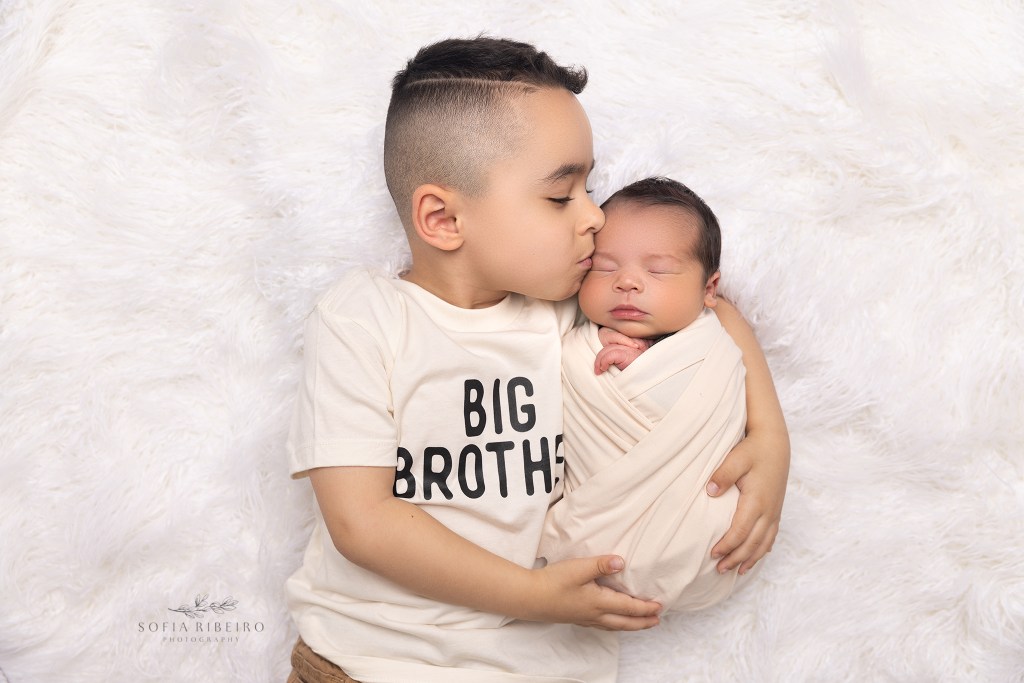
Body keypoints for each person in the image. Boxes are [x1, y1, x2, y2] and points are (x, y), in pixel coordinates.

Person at [285, 37, 789, 683]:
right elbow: (362, 520)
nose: (593, 216)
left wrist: (770, 435)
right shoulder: (364, 316)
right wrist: (531, 595)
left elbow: (714, 308)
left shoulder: (573, 308)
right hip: (371, 660)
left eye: (590, 187)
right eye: (560, 196)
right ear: (442, 218)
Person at [540, 177, 765, 613]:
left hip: (712, 544)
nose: (627, 282)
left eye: (657, 270)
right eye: (604, 268)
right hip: (588, 551)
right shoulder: (568, 337)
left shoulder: (714, 343)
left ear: (709, 289)